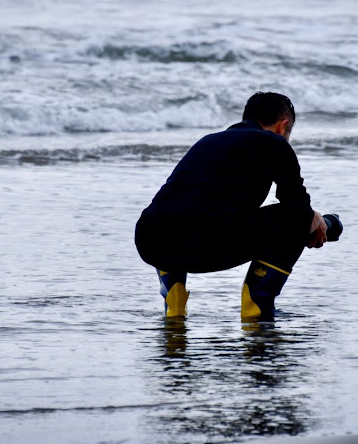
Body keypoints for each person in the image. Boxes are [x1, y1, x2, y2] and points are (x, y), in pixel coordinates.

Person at [135, 92, 331, 319]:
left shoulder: (208, 141)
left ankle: (175, 302)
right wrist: (316, 221)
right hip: (205, 242)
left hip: (150, 239)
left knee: (177, 214)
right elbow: (297, 207)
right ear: (283, 126)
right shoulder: (275, 143)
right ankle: (257, 304)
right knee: (298, 218)